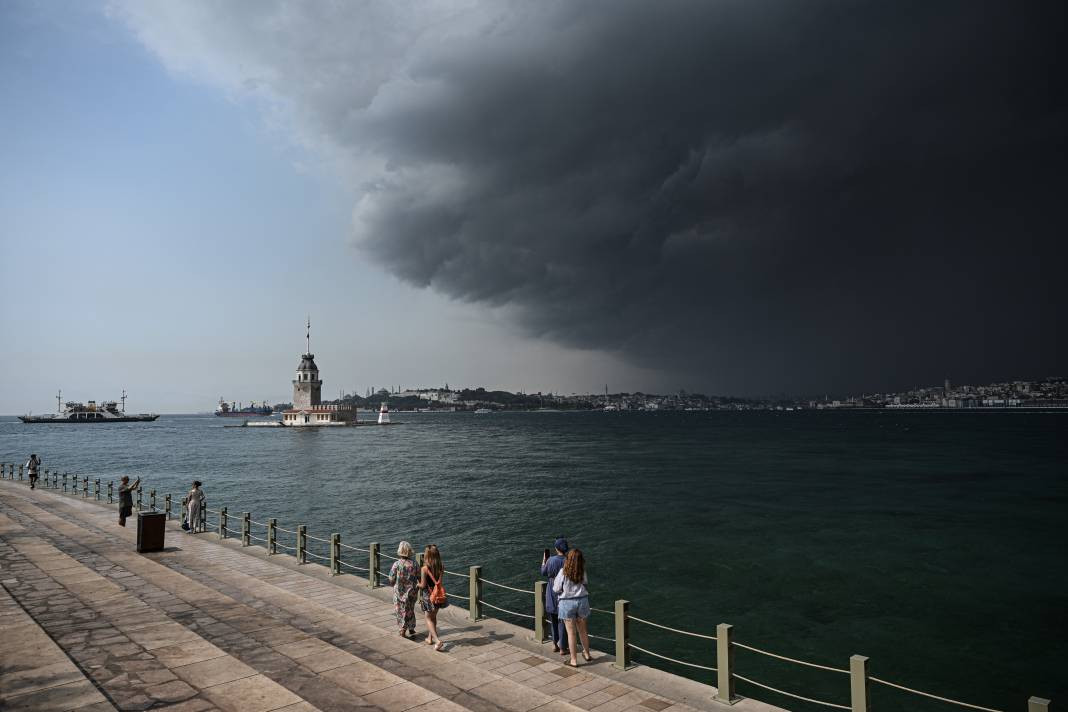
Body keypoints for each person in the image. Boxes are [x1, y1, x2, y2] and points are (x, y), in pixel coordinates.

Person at [553, 548, 592, 667]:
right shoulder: (582, 571)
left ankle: (574, 660)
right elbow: (585, 583)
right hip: (582, 601)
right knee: (583, 631)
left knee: (571, 633)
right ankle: (587, 654)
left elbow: (556, 588)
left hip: (567, 603)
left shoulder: (563, 571)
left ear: (568, 559)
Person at [540, 537, 570, 655]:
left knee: (553, 619)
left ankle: (554, 644)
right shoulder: (568, 560)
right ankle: (563, 647)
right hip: (564, 591)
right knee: (562, 620)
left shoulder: (551, 560)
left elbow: (543, 572)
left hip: (551, 590)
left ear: (556, 548)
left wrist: (544, 560)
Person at [418, 544, 448, 651]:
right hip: (438, 597)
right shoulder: (441, 567)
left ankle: (437, 640)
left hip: (428, 597)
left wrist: (417, 584)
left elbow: (422, 585)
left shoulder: (424, 569)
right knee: (433, 617)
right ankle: (430, 638)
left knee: (428, 618)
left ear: (427, 556)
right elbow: (439, 583)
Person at [388, 541, 418, 637]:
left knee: (400, 610)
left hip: (399, 592)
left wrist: (393, 584)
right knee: (410, 609)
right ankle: (411, 627)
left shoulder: (396, 564)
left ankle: (403, 629)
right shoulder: (415, 564)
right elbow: (420, 577)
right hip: (411, 592)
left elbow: (391, 578)